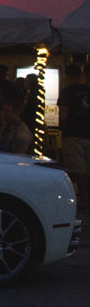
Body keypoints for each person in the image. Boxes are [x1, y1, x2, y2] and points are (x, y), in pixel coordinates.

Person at [57, 63, 90, 212]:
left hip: (73, 134)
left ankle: (83, 201)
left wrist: (61, 129)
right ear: (81, 75)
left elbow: (63, 114)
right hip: (87, 133)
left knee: (78, 169)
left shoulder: (66, 92)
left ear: (67, 75)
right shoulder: (87, 91)